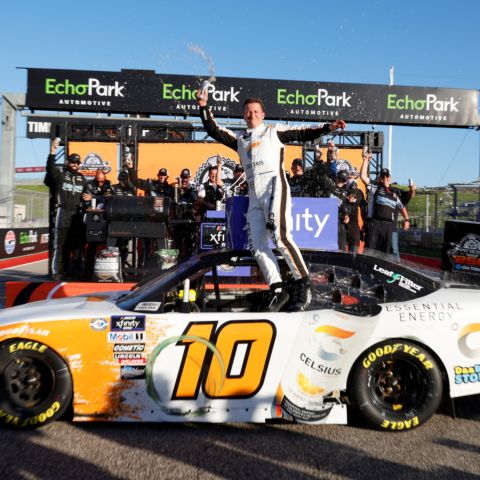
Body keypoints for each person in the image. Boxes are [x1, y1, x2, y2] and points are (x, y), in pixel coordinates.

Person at [198, 91, 346, 311]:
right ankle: (277, 289)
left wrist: (328, 128)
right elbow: (214, 130)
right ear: (243, 115)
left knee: (280, 236)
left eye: (256, 111)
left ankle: (304, 284)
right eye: (248, 112)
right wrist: (203, 106)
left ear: (263, 114)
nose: (251, 115)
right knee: (257, 246)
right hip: (254, 195)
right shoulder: (239, 139)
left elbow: (302, 132)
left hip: (274, 186)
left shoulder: (272, 131)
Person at [45, 138, 91, 280]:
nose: (75, 164)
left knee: (73, 245)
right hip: (61, 211)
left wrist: (89, 198)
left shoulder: (82, 179)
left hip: (76, 214)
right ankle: (55, 272)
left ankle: (70, 271)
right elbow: (50, 170)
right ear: (68, 162)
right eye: (73, 162)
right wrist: (52, 153)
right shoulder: (60, 175)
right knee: (58, 243)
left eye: (77, 162)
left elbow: (88, 195)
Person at [360, 151, 410, 253]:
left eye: (387, 177)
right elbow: (363, 177)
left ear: (390, 178)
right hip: (375, 224)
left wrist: (407, 220)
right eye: (383, 177)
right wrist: (365, 161)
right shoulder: (375, 187)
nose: (385, 179)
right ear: (379, 178)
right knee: (370, 251)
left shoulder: (394, 193)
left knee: (387, 254)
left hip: (389, 227)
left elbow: (401, 206)